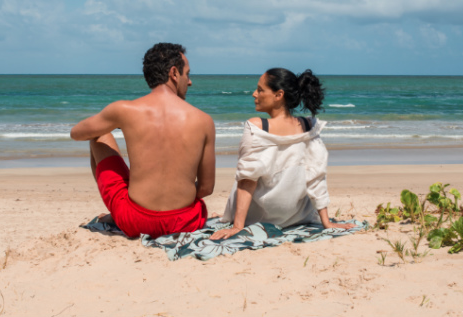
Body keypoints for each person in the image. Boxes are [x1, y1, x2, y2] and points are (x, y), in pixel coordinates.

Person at [71, 43, 215, 238]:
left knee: (99, 134)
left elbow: (77, 133)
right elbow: (206, 188)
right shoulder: (203, 120)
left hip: (136, 220)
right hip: (184, 222)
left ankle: (116, 212)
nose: (189, 82)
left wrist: (117, 123)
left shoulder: (125, 110)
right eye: (187, 74)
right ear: (174, 73)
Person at [210, 68, 356, 240]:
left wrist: (237, 227)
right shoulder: (309, 125)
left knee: (244, 176)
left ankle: (230, 217)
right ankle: (228, 216)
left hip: (261, 218)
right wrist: (326, 222)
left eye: (260, 90)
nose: (254, 94)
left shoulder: (256, 126)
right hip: (297, 216)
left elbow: (247, 180)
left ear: (279, 95)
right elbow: (316, 176)